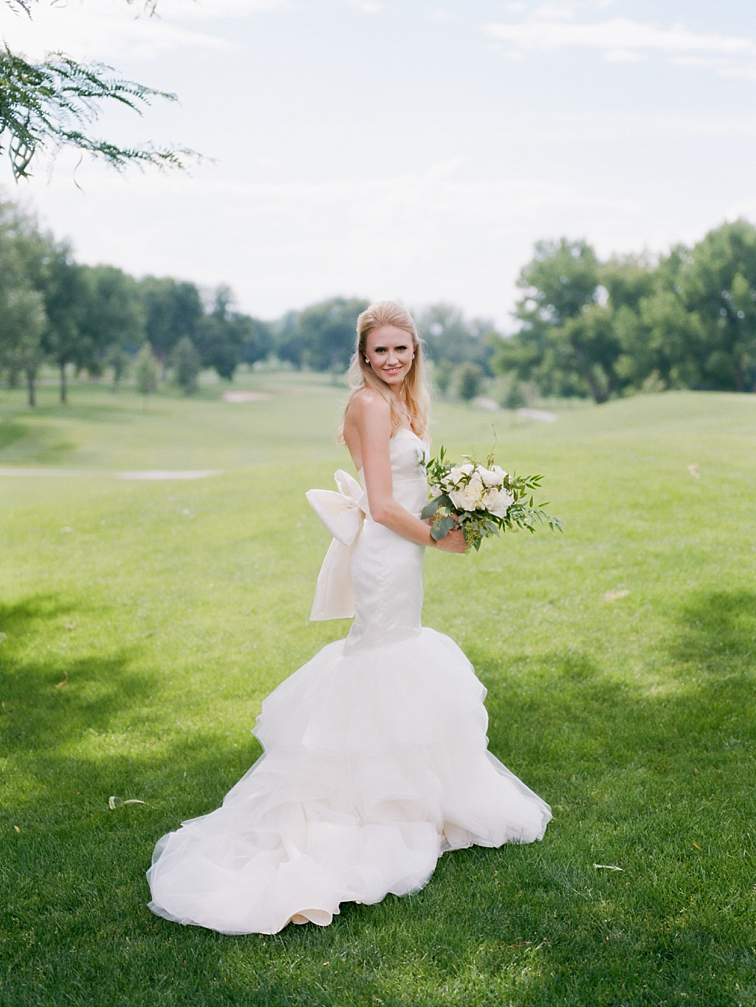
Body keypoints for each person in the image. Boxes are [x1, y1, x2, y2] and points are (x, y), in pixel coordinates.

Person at [147, 300, 551, 935]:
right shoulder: (367, 404)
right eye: (379, 351)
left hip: (405, 554)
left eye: (401, 349)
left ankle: (411, 793)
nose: (391, 360)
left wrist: (464, 509)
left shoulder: (405, 406)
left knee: (401, 660)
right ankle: (365, 807)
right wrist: (437, 538)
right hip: (386, 559)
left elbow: (415, 490)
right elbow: (385, 504)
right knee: (385, 660)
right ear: (363, 356)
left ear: (415, 352)